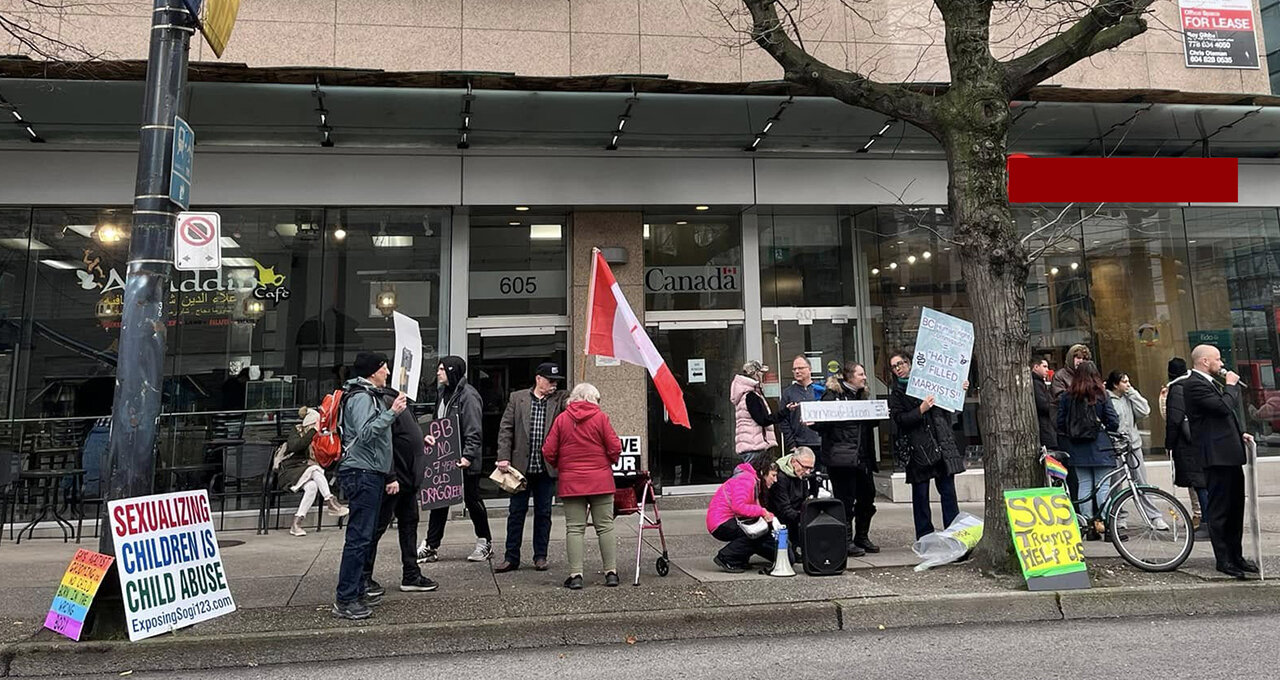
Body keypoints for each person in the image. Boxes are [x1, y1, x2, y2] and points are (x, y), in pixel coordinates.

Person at [332, 352, 406, 620]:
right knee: (359, 537)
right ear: (373, 371)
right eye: (384, 368)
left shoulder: (366, 395)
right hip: (362, 472)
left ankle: (355, 591)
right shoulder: (363, 397)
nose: (387, 372)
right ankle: (346, 597)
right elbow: (365, 433)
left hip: (369, 471)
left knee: (363, 535)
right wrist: (392, 413)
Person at [1183, 344, 1257, 579]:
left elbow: (1218, 419)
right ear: (1204, 361)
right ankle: (1224, 559)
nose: (1221, 362)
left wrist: (1239, 433)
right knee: (1220, 510)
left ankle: (1237, 555)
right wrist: (1232, 386)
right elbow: (1223, 408)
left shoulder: (1208, 382)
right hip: (1215, 457)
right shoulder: (1194, 384)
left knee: (1235, 508)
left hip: (1228, 453)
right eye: (1217, 359)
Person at [541, 383, 622, 589]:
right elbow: (615, 447)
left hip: (571, 482)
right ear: (592, 398)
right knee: (605, 527)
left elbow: (548, 450)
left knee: (575, 529)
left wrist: (562, 466)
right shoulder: (601, 418)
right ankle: (611, 573)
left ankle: (576, 575)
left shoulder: (561, 419)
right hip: (600, 481)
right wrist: (607, 462)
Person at [362, 384, 438, 596]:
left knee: (409, 526)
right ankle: (364, 576)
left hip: (407, 481)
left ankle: (411, 573)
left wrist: (420, 441)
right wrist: (390, 476)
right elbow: (383, 443)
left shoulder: (399, 402)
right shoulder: (388, 402)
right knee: (377, 528)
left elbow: (403, 436)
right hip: (397, 481)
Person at [494, 362, 569, 573]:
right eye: (550, 380)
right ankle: (511, 557)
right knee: (516, 513)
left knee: (543, 514)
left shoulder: (560, 399)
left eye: (556, 381)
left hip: (546, 469)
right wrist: (503, 457)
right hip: (520, 469)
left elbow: (574, 405)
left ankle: (540, 556)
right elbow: (506, 429)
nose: (554, 384)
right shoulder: (517, 398)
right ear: (538, 379)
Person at [417, 356, 492, 564]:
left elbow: (474, 429)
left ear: (452, 371)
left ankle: (485, 541)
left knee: (472, 500)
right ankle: (432, 545)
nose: (438, 372)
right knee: (439, 500)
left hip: (463, 460)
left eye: (442, 369)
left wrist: (468, 456)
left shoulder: (468, 396)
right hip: (444, 457)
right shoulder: (442, 393)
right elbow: (438, 421)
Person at [888, 352, 967, 540]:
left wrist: (959, 390)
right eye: (894, 366)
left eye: (901, 363)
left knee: (948, 493)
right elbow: (900, 419)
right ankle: (925, 537)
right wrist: (920, 410)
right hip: (918, 450)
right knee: (921, 496)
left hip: (940, 444)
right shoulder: (897, 393)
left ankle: (953, 535)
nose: (898, 368)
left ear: (910, 363)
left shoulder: (930, 382)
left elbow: (949, 405)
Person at [812, 361, 881, 556]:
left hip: (862, 458)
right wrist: (812, 423)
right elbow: (822, 425)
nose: (864, 377)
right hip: (841, 459)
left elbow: (866, 426)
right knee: (845, 501)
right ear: (849, 376)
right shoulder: (832, 396)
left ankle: (861, 536)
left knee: (867, 498)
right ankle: (846, 540)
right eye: (860, 374)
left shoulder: (862, 396)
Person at [1056, 360, 1120, 540]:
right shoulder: (1101, 394)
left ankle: (1089, 527)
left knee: (1083, 486)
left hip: (1077, 447)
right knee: (1103, 487)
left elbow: (1060, 422)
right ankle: (1107, 527)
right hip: (1100, 445)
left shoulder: (1068, 396)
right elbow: (1113, 421)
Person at [1106, 370, 1169, 531]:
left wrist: (1132, 392)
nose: (1128, 384)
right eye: (1124, 382)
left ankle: (1154, 517)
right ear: (1115, 384)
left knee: (1141, 482)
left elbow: (1145, 410)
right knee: (1116, 484)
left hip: (1133, 446)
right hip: (1116, 448)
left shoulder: (1129, 397)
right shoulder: (1107, 399)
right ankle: (1119, 517)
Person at [272, 405, 348, 537]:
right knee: (315, 469)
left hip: (304, 471)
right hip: (289, 471)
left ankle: (297, 522)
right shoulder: (297, 430)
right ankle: (330, 501)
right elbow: (296, 446)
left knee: (312, 486)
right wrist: (312, 432)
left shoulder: (319, 438)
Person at [1161, 357, 1209, 538]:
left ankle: (1206, 521)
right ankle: (1207, 519)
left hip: (1187, 444)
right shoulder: (1194, 383)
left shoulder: (1176, 389)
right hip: (1201, 438)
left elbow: (1174, 419)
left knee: (1198, 483)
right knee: (1202, 482)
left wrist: (1169, 443)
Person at [706, 456, 778, 573]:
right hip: (721, 522)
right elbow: (738, 506)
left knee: (758, 531)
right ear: (763, 472)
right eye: (773, 475)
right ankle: (726, 557)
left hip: (723, 520)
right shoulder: (747, 480)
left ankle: (739, 558)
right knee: (755, 533)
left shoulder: (751, 479)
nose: (775, 480)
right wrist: (762, 512)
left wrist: (767, 514)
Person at [780, 355, 824, 496]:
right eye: (794, 369)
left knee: (820, 481)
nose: (797, 371)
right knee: (801, 484)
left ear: (810, 369)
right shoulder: (788, 393)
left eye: (800, 368)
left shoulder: (821, 391)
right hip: (799, 445)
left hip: (820, 443)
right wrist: (791, 444)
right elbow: (783, 421)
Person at [767, 446, 815, 564]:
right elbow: (784, 510)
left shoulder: (800, 474)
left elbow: (804, 500)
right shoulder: (780, 477)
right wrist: (806, 516)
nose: (808, 472)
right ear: (793, 461)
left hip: (793, 514)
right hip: (778, 519)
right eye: (805, 467)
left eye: (811, 468)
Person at [730, 360, 780, 464]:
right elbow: (763, 420)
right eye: (761, 373)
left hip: (751, 445)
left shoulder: (745, 394)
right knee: (754, 478)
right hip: (754, 446)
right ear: (755, 374)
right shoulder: (750, 396)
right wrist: (784, 413)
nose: (763, 376)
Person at [1032, 358, 1058, 452]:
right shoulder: (1036, 384)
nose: (1047, 370)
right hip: (1045, 428)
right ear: (1036, 367)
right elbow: (1043, 405)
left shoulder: (1039, 383)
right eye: (1044, 366)